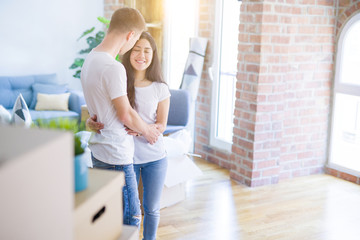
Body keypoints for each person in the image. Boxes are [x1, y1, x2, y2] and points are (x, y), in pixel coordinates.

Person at [80, 8, 161, 227]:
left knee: (108, 221)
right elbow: (125, 114)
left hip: (99, 151)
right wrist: (148, 131)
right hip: (116, 156)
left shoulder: (90, 59)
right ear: (130, 35)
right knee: (130, 219)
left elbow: (97, 105)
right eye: (134, 41)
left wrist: (89, 121)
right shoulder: (113, 67)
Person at [87, 32, 170, 240]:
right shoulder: (119, 80)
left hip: (155, 157)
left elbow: (161, 124)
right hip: (126, 158)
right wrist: (90, 122)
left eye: (147, 51)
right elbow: (103, 113)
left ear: (153, 56)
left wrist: (144, 128)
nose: (141, 55)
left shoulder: (160, 88)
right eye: (137, 49)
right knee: (131, 210)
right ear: (129, 51)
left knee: (151, 209)